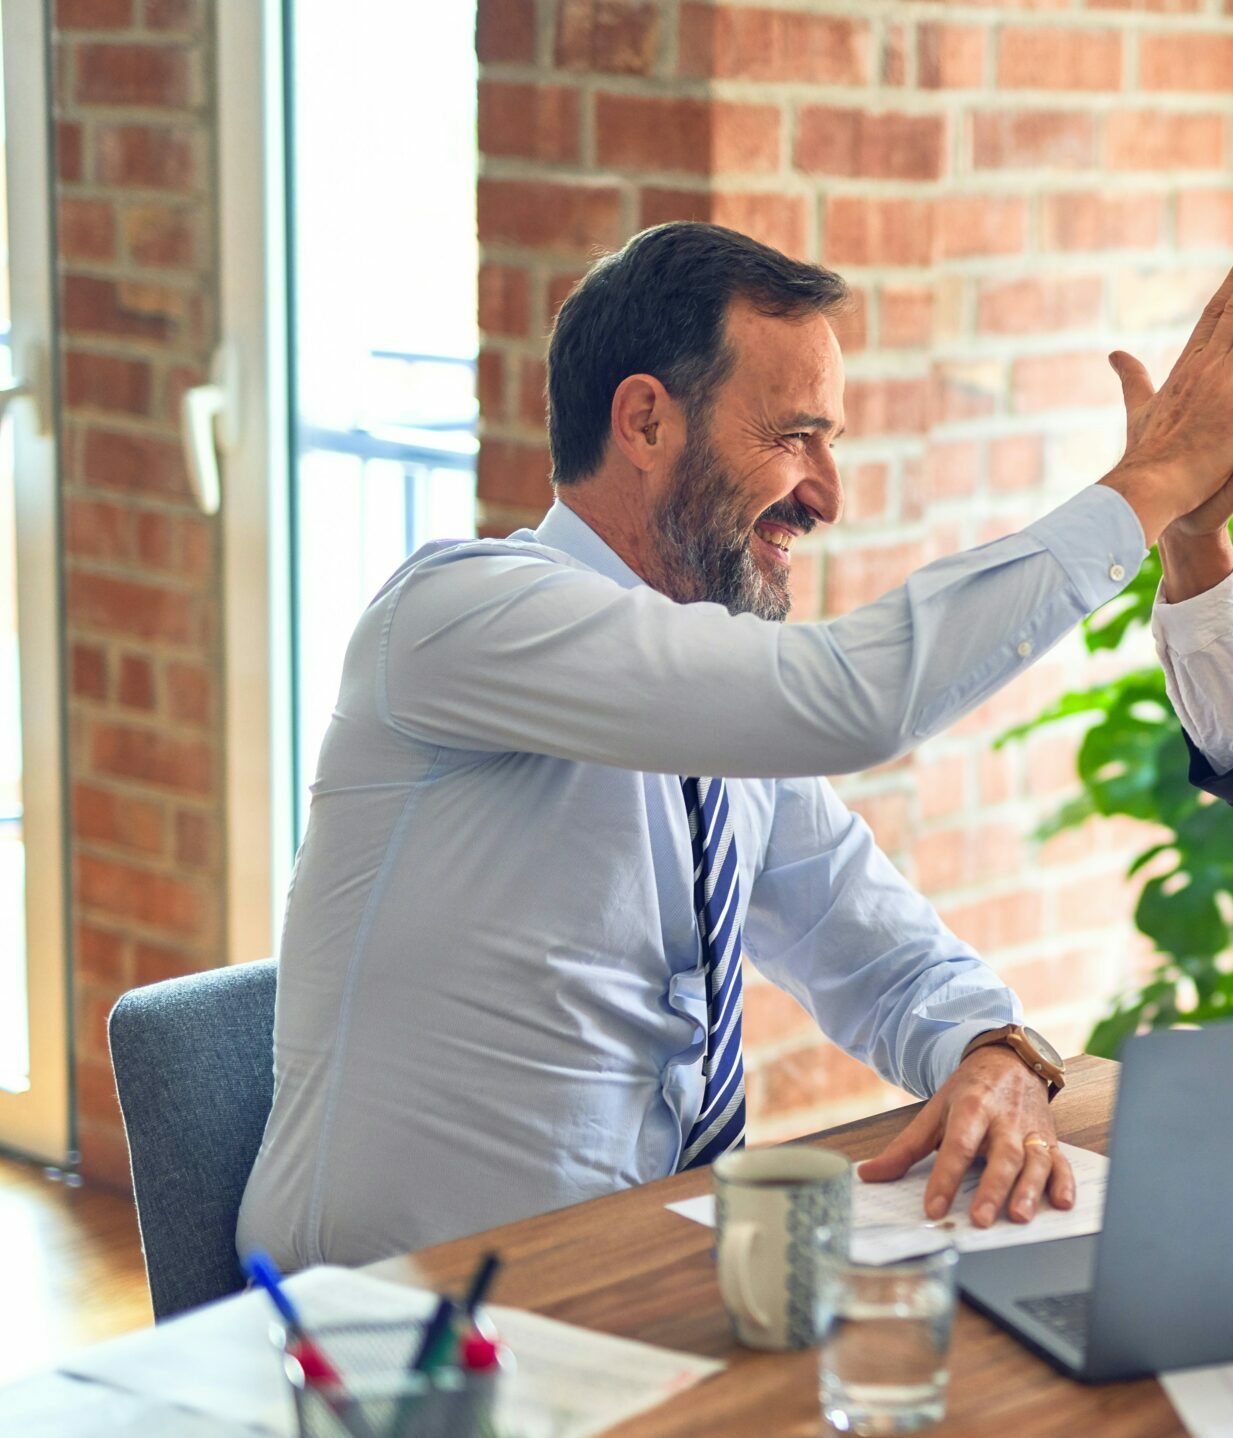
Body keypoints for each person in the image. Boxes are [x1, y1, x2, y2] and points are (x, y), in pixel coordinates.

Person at [237, 224, 1233, 1271]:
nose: (827, 495)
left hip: (630, 1287)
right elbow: (859, 698)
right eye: (795, 435)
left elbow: (881, 953)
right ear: (644, 421)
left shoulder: (714, 721)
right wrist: (1152, 484)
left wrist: (995, 1050)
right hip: (395, 1330)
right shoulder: (459, 618)